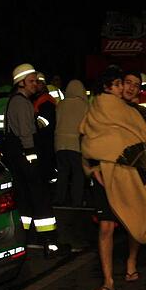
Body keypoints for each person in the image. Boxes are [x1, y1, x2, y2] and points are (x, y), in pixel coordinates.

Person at [80, 66, 146, 290]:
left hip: (131, 176)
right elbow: (89, 138)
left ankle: (131, 262)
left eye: (136, 85)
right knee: (106, 227)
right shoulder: (98, 108)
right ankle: (108, 281)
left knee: (135, 218)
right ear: (118, 85)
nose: (131, 87)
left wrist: (144, 171)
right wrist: (94, 168)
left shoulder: (136, 113)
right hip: (104, 177)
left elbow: (145, 146)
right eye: (127, 82)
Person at [1, 63, 61, 255]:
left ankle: (24, 238)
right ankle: (50, 243)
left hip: (17, 158)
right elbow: (27, 134)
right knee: (41, 198)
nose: (36, 84)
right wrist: (33, 158)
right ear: (21, 83)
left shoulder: (16, 101)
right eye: (32, 81)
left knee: (25, 200)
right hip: (26, 158)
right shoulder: (22, 103)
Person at [54, 79, 89, 209]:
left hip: (60, 144)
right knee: (77, 173)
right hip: (76, 144)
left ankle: (59, 198)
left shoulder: (61, 104)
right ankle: (77, 200)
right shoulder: (84, 105)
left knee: (62, 173)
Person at [31, 71, 58, 186]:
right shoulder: (38, 98)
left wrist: (32, 127)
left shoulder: (46, 100)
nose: (36, 85)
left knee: (45, 163)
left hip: (45, 139)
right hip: (42, 138)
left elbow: (45, 121)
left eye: (39, 83)